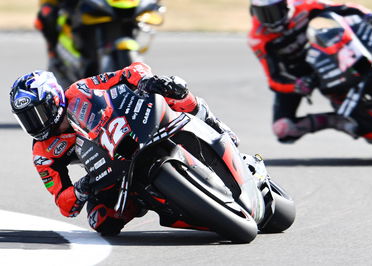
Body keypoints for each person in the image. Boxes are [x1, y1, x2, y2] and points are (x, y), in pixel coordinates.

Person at [9, 62, 238, 236]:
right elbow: (64, 204)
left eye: (37, 113)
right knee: (100, 221)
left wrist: (146, 81)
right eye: (26, 119)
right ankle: (143, 200)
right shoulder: (43, 151)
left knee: (172, 89)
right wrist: (83, 186)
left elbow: (130, 71)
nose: (34, 123)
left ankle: (214, 123)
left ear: (54, 99)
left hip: (131, 127)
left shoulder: (80, 89)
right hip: (107, 168)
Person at [248, 0, 372, 143]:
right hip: (297, 76)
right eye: (263, 13)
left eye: (274, 11)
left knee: (370, 37)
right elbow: (274, 78)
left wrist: (370, 15)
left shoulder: (303, 6)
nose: (270, 18)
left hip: (323, 55)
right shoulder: (257, 38)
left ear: (286, 4)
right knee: (283, 128)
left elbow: (342, 7)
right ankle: (335, 121)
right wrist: (296, 85)